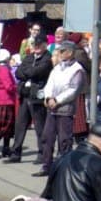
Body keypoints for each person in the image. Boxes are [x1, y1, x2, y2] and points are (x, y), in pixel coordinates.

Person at [34, 40, 86, 178]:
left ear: (70, 52)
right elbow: (49, 84)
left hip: (65, 109)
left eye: (62, 51)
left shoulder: (77, 69)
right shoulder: (57, 68)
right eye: (59, 51)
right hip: (52, 108)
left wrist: (57, 100)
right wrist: (48, 97)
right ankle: (46, 165)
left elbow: (73, 90)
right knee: (47, 137)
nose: (60, 53)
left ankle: (64, 167)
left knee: (64, 140)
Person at [5, 36, 52, 164]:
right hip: (24, 95)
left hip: (37, 96)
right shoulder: (29, 57)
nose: (36, 47)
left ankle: (42, 153)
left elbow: (38, 72)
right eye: (34, 44)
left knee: (39, 127)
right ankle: (16, 153)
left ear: (45, 45)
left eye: (39, 44)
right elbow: (18, 73)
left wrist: (27, 72)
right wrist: (27, 72)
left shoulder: (48, 58)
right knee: (20, 125)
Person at [0, 47, 18, 158]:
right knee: (5, 125)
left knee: (6, 126)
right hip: (6, 100)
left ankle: (6, 148)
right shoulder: (4, 69)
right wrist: (16, 88)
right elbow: (8, 86)